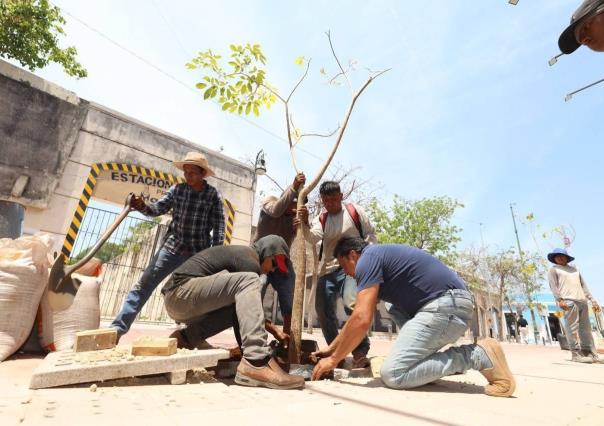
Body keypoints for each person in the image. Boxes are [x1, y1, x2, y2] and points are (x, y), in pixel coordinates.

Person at [312, 237, 516, 398]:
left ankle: (476, 355)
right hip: (449, 304)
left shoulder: (367, 259)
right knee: (392, 306)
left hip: (446, 306)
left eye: (344, 267)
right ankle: (424, 361)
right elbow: (357, 318)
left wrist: (333, 360)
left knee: (394, 374)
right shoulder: (378, 259)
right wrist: (330, 349)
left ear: (353, 255)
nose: (348, 275)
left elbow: (361, 319)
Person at [161, 235, 304, 390]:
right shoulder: (249, 260)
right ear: (267, 253)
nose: (272, 269)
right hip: (180, 292)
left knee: (237, 306)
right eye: (274, 263)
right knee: (250, 280)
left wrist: (246, 350)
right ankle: (256, 360)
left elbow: (241, 315)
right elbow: (251, 313)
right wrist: (259, 348)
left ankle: (186, 338)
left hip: (180, 300)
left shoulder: (245, 257)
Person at [110, 152, 225, 339]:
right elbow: (156, 209)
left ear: (203, 174)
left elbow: (219, 226)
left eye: (193, 173)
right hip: (173, 247)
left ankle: (192, 336)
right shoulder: (177, 190)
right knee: (144, 284)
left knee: (197, 296)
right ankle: (117, 328)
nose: (188, 176)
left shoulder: (213, 196)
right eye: (186, 172)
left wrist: (215, 256)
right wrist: (141, 205)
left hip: (198, 254)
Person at [297, 181, 377, 368]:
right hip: (329, 268)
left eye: (334, 199)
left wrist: (368, 260)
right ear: (322, 201)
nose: (331, 203)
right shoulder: (322, 218)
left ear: (341, 197)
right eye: (326, 200)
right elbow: (312, 237)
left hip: (353, 266)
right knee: (322, 310)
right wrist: (305, 222)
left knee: (352, 303)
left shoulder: (354, 212)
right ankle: (335, 353)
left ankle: (360, 352)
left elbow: (371, 236)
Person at [253, 172, 306, 342]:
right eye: (294, 202)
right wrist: (294, 186)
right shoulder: (270, 201)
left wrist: (304, 223)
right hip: (259, 259)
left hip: (281, 262)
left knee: (289, 296)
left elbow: (304, 237)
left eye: (298, 204)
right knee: (255, 294)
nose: (294, 207)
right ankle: (255, 339)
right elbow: (276, 211)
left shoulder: (294, 219)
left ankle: (287, 338)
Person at [547, 248, 603, 364]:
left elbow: (584, 286)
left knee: (586, 329)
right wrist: (560, 299)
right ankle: (576, 354)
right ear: (554, 259)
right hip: (568, 301)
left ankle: (590, 353)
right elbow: (553, 286)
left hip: (582, 301)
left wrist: (593, 300)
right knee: (571, 328)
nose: (560, 258)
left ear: (567, 258)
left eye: (562, 256)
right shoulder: (554, 270)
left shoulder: (575, 270)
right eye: (557, 256)